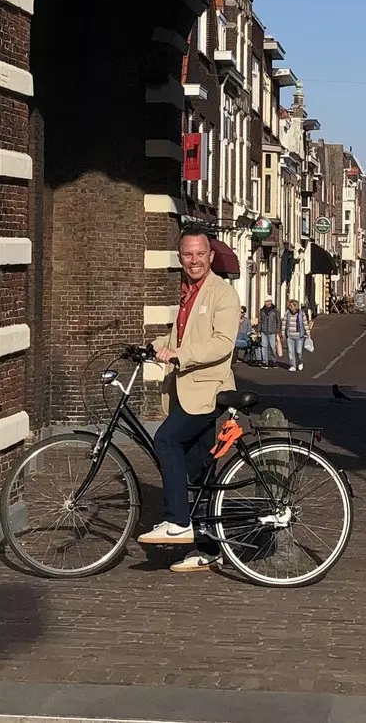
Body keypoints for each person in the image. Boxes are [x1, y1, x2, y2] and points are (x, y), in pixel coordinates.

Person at [138, 229, 242, 572]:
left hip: (207, 392)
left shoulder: (222, 294)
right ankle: (207, 549)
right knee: (198, 470)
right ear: (180, 258)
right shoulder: (188, 294)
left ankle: (177, 521)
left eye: (200, 254)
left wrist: (179, 355)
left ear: (210, 257)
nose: (194, 261)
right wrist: (152, 346)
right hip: (186, 391)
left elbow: (222, 342)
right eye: (187, 255)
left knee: (165, 439)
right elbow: (178, 335)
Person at [283, 298, 310, 371]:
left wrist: (308, 333)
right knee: (291, 352)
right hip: (290, 335)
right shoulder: (287, 313)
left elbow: (305, 323)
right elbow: (284, 323)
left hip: (299, 335)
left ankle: (300, 362)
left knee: (299, 351)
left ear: (295, 306)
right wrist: (283, 332)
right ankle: (293, 366)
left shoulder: (301, 313)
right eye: (289, 306)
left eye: (291, 306)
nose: (290, 307)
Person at [257, 297, 281, 367]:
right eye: (266, 301)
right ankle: (265, 362)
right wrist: (259, 331)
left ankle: (274, 361)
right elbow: (260, 321)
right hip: (263, 331)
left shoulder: (275, 310)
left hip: (272, 331)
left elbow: (278, 320)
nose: (267, 303)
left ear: (271, 301)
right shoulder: (262, 310)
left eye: (269, 301)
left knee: (272, 347)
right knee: (264, 346)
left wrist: (278, 330)